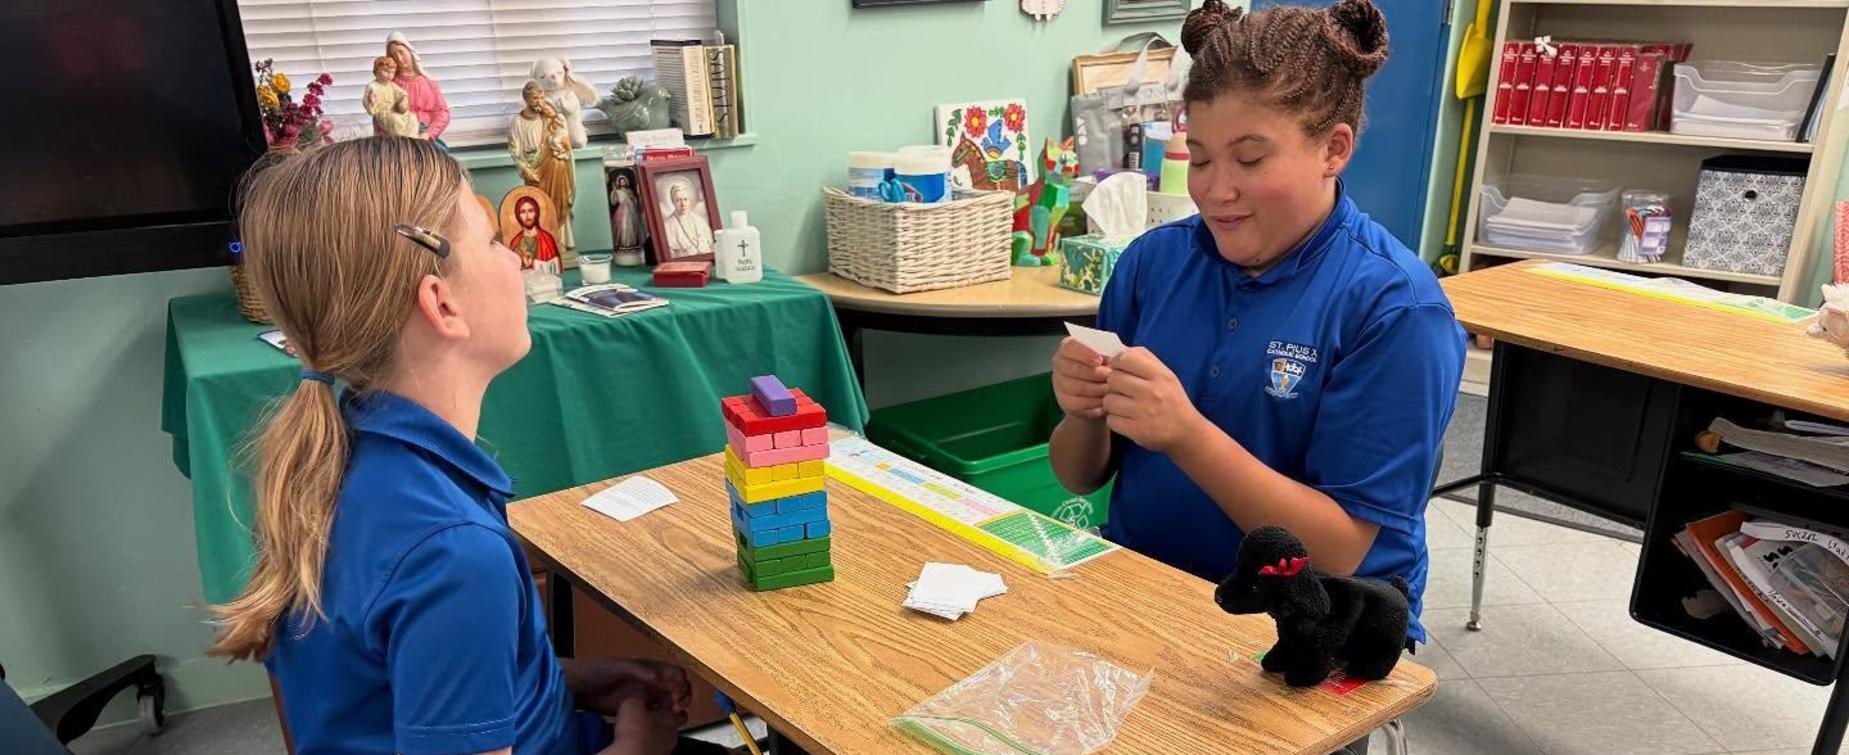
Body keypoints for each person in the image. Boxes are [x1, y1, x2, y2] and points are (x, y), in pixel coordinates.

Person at [206, 137, 687, 755]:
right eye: (490, 240)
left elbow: (409, 685)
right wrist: (641, 746)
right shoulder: (452, 553)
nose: (514, 259)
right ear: (441, 302)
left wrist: (581, 680)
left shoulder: (354, 465)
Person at [1047, 0, 1464, 712]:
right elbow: (1079, 473)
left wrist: (1183, 431)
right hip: (1145, 595)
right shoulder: (1154, 262)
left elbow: (1339, 548)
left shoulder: (1393, 307)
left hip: (1307, 632)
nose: (1215, 189)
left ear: (1334, 149)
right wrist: (1083, 413)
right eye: (1198, 158)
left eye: (1248, 158)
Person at [509, 82, 577, 250]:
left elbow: (563, 141)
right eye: (534, 98)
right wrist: (525, 169)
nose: (538, 101)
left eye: (541, 97)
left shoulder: (549, 117)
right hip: (533, 169)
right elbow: (514, 150)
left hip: (553, 167)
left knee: (558, 203)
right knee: (539, 206)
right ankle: (544, 246)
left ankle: (561, 243)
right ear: (526, 99)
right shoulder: (518, 122)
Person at [386, 31, 451, 148]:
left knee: (439, 155)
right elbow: (380, 115)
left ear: (409, 51)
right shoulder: (390, 85)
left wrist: (429, 134)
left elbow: (442, 112)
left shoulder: (428, 82)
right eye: (394, 56)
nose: (399, 59)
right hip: (399, 140)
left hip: (424, 137)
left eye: (401, 52)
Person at [363, 56, 419, 138]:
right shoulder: (372, 86)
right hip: (383, 113)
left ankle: (412, 138)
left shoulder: (391, 85)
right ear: (376, 71)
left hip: (394, 110)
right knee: (395, 120)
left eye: (392, 72)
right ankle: (400, 140)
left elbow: (402, 93)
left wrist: (404, 99)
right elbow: (370, 108)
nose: (389, 75)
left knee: (412, 118)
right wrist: (372, 101)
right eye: (385, 71)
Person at [508, 195, 562, 276]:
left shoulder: (547, 238)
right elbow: (511, 270)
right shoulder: (515, 242)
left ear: (536, 213)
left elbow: (556, 267)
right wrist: (524, 264)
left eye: (530, 211)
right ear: (518, 216)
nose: (527, 216)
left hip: (546, 283)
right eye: (523, 212)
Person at [661, 181, 714, 258]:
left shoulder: (700, 221)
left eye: (685, 199)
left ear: (690, 200)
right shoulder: (667, 226)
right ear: (673, 202)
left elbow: (710, 244)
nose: (683, 204)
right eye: (678, 200)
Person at [610, 172, 644, 255]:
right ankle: (624, 243)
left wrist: (633, 198)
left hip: (631, 209)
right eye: (621, 182)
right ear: (619, 183)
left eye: (623, 181)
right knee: (623, 225)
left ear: (626, 182)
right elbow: (613, 202)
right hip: (622, 209)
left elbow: (635, 201)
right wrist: (614, 190)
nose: (622, 183)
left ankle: (632, 243)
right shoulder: (617, 191)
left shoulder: (629, 191)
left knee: (632, 225)